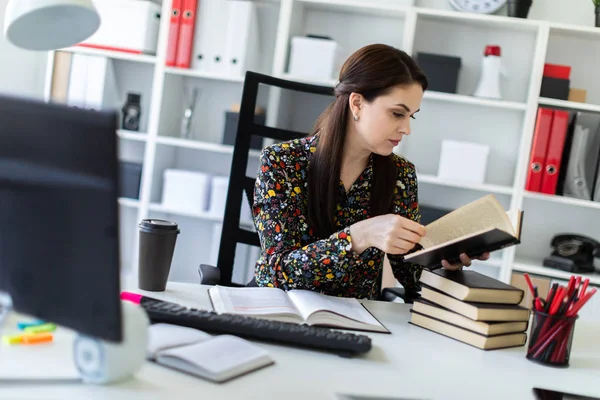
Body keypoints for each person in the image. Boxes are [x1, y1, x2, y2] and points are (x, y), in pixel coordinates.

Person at [251, 43, 490, 300]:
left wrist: (446, 262)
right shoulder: (281, 162)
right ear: (357, 104)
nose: (406, 129)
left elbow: (409, 273)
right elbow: (277, 271)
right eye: (397, 113)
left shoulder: (401, 174)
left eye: (412, 116)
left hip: (358, 322)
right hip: (283, 311)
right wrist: (358, 236)